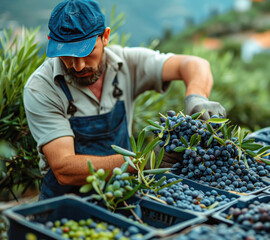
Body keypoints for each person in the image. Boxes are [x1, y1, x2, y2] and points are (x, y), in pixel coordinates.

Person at [24, 0, 226, 200]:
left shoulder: (126, 64)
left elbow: (193, 64)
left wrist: (196, 97)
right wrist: (143, 160)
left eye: (87, 52)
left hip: (122, 194)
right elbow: (64, 168)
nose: (78, 66)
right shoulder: (41, 88)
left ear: (105, 37)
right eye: (67, 55)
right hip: (66, 204)